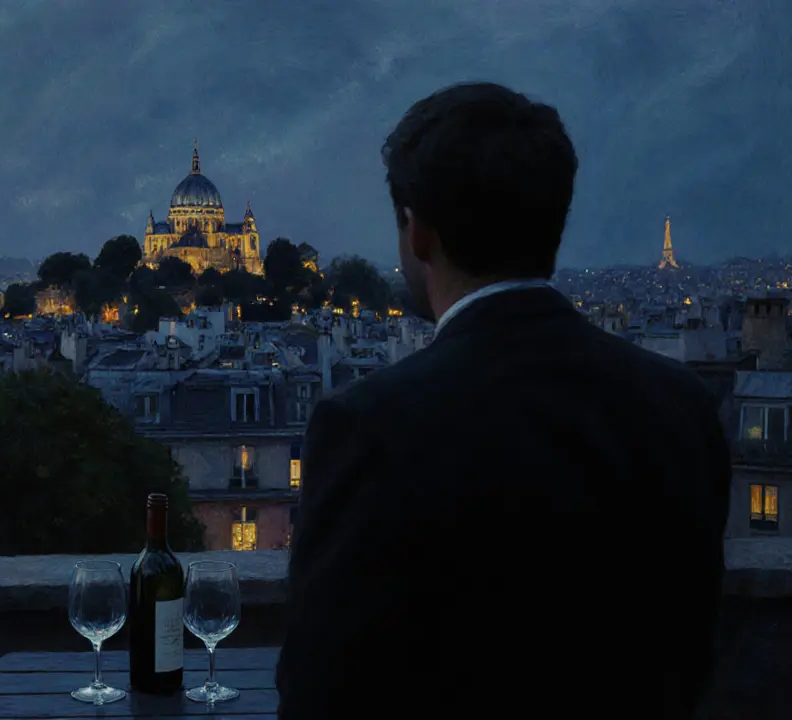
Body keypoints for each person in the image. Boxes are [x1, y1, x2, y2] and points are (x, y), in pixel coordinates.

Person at [276, 82, 731, 719]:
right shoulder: (681, 406)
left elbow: (321, 692)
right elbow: (691, 660)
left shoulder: (369, 425)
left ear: (419, 232)